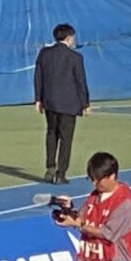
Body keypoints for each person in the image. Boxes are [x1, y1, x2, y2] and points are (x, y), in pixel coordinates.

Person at [34, 23, 90, 184]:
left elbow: (38, 76)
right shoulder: (75, 57)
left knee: (51, 133)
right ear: (69, 37)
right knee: (66, 138)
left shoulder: (45, 53)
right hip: (69, 103)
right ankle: (61, 173)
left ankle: (50, 167)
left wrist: (38, 98)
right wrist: (85, 103)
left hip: (50, 101)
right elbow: (80, 81)